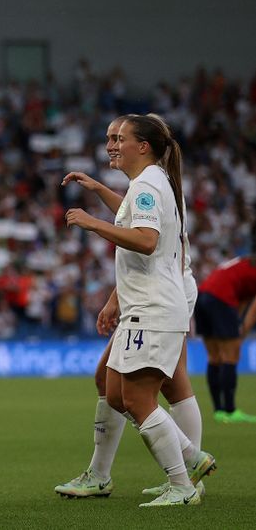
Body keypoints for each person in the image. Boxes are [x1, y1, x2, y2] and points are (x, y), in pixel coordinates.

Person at [65, 113, 214, 507]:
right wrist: (99, 190)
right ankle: (190, 459)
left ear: (143, 146)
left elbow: (146, 240)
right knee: (115, 389)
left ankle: (183, 480)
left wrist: (93, 224)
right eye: (109, 137)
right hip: (145, 304)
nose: (111, 144)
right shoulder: (151, 183)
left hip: (154, 306)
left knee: (140, 397)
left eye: (119, 138)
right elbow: (132, 218)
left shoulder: (148, 183)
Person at [195, 255, 256, 423]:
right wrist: (241, 334)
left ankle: (218, 411)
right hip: (221, 299)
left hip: (202, 297)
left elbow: (243, 299)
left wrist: (236, 323)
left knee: (214, 358)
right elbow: (253, 311)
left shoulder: (243, 263)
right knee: (231, 356)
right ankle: (230, 411)